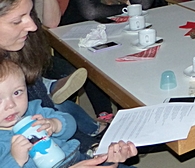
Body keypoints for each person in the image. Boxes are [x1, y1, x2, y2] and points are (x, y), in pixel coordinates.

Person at [0, 0, 117, 155]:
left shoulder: (16, 56)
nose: (33, 26)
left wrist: (93, 150)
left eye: (30, 14)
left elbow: (52, 120)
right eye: (17, 21)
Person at [0, 59, 137, 168]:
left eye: (17, 92)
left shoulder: (34, 111)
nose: (11, 105)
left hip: (76, 157)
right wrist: (16, 161)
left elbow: (70, 125)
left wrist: (55, 124)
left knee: (114, 158)